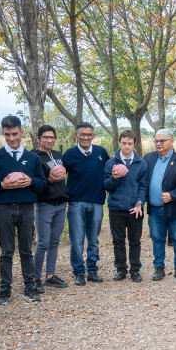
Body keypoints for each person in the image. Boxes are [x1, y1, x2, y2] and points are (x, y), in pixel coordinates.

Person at [0, 115, 47, 304]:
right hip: (5, 209)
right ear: (3, 133)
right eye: (7, 134)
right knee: (6, 251)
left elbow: (42, 184)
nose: (11, 138)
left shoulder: (32, 158)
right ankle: (5, 290)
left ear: (22, 132)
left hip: (26, 209)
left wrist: (31, 181)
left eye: (15, 134)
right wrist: (1, 185)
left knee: (26, 250)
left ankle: (29, 288)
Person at [143, 129, 176, 282]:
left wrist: (172, 195)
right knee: (157, 238)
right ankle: (159, 268)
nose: (158, 144)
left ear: (171, 142)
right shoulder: (149, 158)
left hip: (175, 208)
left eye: (162, 141)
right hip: (155, 208)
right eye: (156, 141)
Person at [63, 122, 110, 286]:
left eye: (88, 134)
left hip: (97, 202)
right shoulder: (69, 154)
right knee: (77, 240)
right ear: (76, 135)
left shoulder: (101, 152)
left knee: (94, 239)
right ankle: (78, 272)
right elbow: (60, 176)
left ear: (93, 136)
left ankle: (92, 270)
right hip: (76, 203)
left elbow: (110, 172)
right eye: (82, 134)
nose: (85, 137)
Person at [104, 130, 148, 283]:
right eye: (124, 143)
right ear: (120, 143)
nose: (127, 146)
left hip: (134, 209)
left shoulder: (142, 164)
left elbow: (143, 187)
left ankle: (135, 269)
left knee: (135, 241)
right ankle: (121, 269)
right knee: (118, 241)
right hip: (116, 208)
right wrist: (114, 177)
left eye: (130, 144)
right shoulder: (111, 163)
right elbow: (106, 185)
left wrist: (140, 203)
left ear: (135, 144)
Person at [31, 125, 70, 292]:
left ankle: (50, 275)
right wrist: (49, 181)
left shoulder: (57, 155)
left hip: (60, 204)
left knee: (54, 242)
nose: (49, 140)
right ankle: (35, 277)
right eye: (45, 137)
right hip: (44, 204)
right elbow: (34, 182)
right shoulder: (34, 156)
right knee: (43, 242)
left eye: (52, 137)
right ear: (39, 138)